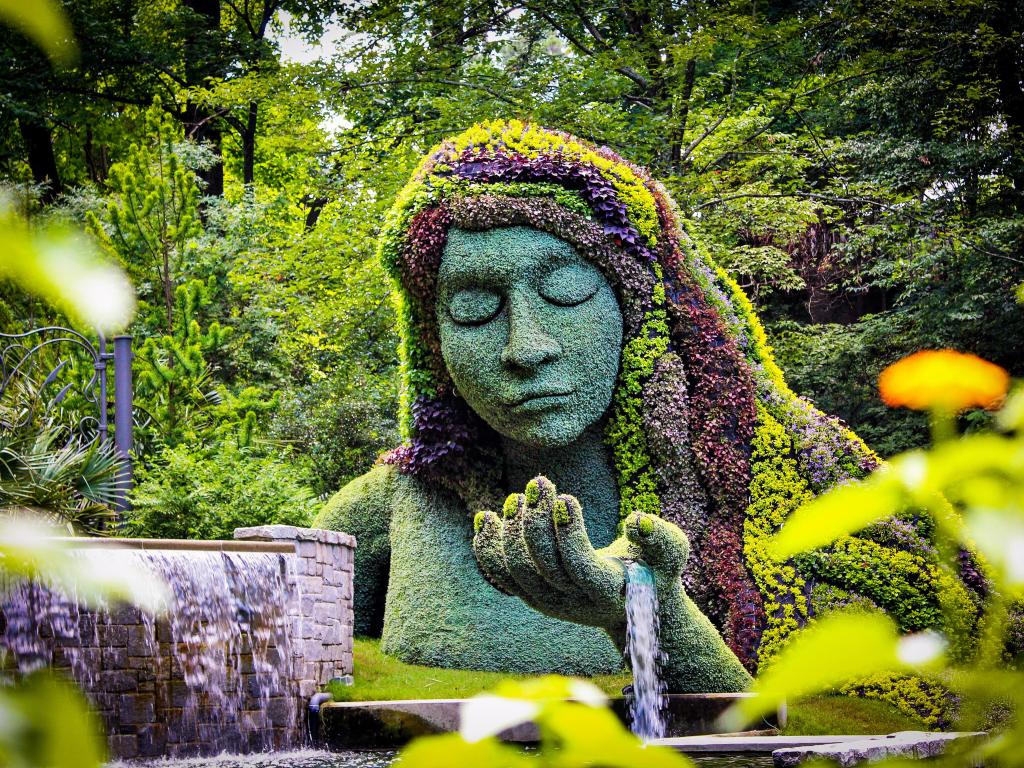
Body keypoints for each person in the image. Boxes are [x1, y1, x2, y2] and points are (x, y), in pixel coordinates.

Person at [316, 121, 982, 694]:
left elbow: (875, 721)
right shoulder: (403, 499)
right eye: (474, 307)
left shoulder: (804, 488)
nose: (526, 347)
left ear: (639, 309)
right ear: (432, 342)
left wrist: (648, 612)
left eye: (567, 291)